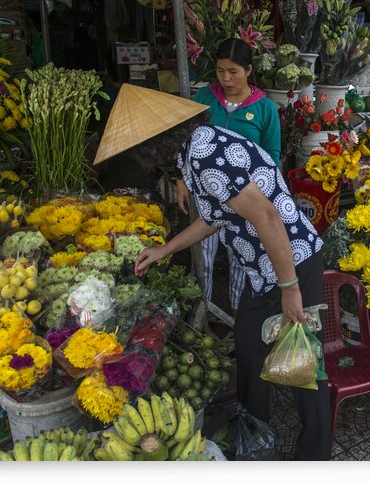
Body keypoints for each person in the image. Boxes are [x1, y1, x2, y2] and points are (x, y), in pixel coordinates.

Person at [137, 121, 331, 461]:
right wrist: (165, 250)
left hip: (291, 262)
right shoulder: (198, 149)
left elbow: (268, 218)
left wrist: (290, 289)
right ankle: (254, 436)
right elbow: (216, 216)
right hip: (262, 270)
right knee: (248, 344)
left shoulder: (203, 154)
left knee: (303, 360)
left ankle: (314, 455)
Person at [175, 38, 282, 313]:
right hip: (206, 193)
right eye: (221, 71)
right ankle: (201, 311)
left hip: (246, 198)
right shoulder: (204, 99)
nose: (226, 78)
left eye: (233, 72)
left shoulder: (264, 108)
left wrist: (267, 201)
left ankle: (238, 317)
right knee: (203, 256)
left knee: (240, 256)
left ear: (249, 70)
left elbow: (272, 156)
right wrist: (181, 180)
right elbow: (184, 141)